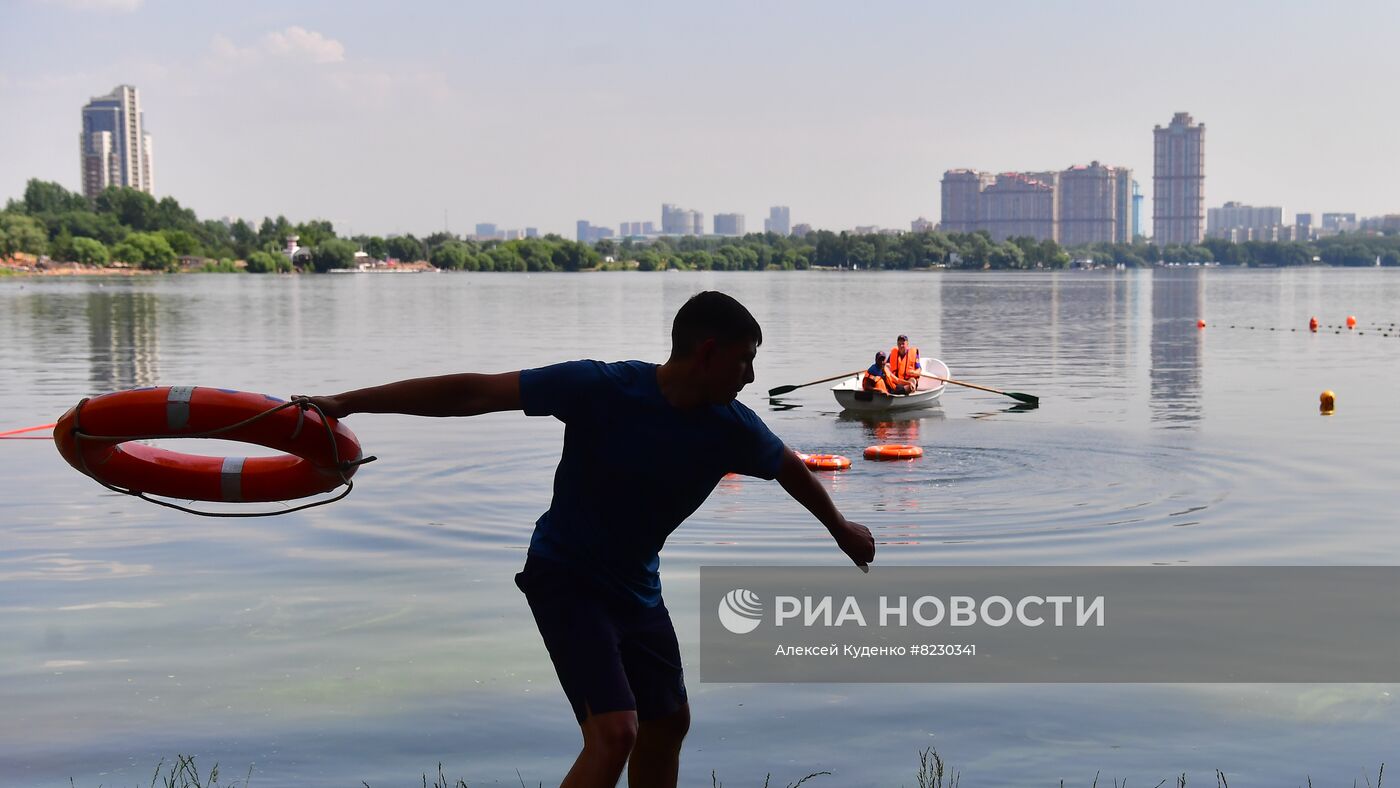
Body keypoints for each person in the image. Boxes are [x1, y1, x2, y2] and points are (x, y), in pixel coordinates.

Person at [296, 291, 875, 788]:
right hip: (565, 576)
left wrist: (841, 530)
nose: (751, 376)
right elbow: (473, 393)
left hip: (636, 590)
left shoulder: (733, 427)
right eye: (746, 360)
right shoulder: (601, 388)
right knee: (615, 731)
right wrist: (348, 403)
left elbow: (791, 470)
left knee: (668, 722)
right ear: (708, 352)